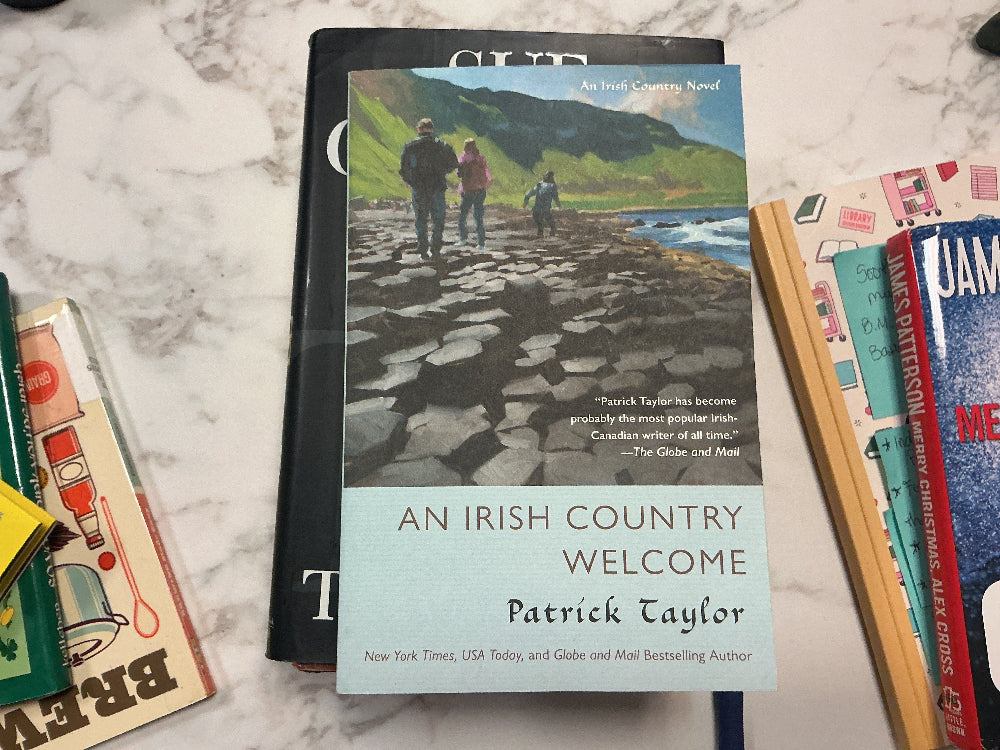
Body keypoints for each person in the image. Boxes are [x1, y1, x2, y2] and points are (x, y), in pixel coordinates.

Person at [399, 118, 459, 259]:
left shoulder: (410, 146)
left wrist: (411, 181)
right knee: (438, 220)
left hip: (419, 188)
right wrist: (441, 171)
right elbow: (453, 163)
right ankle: (436, 248)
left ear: (419, 130)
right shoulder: (443, 146)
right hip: (437, 187)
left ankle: (422, 249)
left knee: (421, 219)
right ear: (432, 130)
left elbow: (403, 169)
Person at [456, 138, 492, 250]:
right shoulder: (481, 158)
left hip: (468, 190)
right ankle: (481, 243)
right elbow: (488, 175)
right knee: (478, 217)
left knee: (462, 216)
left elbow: (459, 173)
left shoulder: (463, 157)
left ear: (466, 146)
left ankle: (463, 239)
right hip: (481, 190)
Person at [523, 170, 561, 237]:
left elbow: (528, 194)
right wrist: (559, 205)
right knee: (549, 221)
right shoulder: (552, 185)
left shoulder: (540, 184)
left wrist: (525, 202)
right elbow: (555, 197)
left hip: (537, 209)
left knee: (540, 223)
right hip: (545, 209)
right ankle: (551, 232)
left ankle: (541, 234)